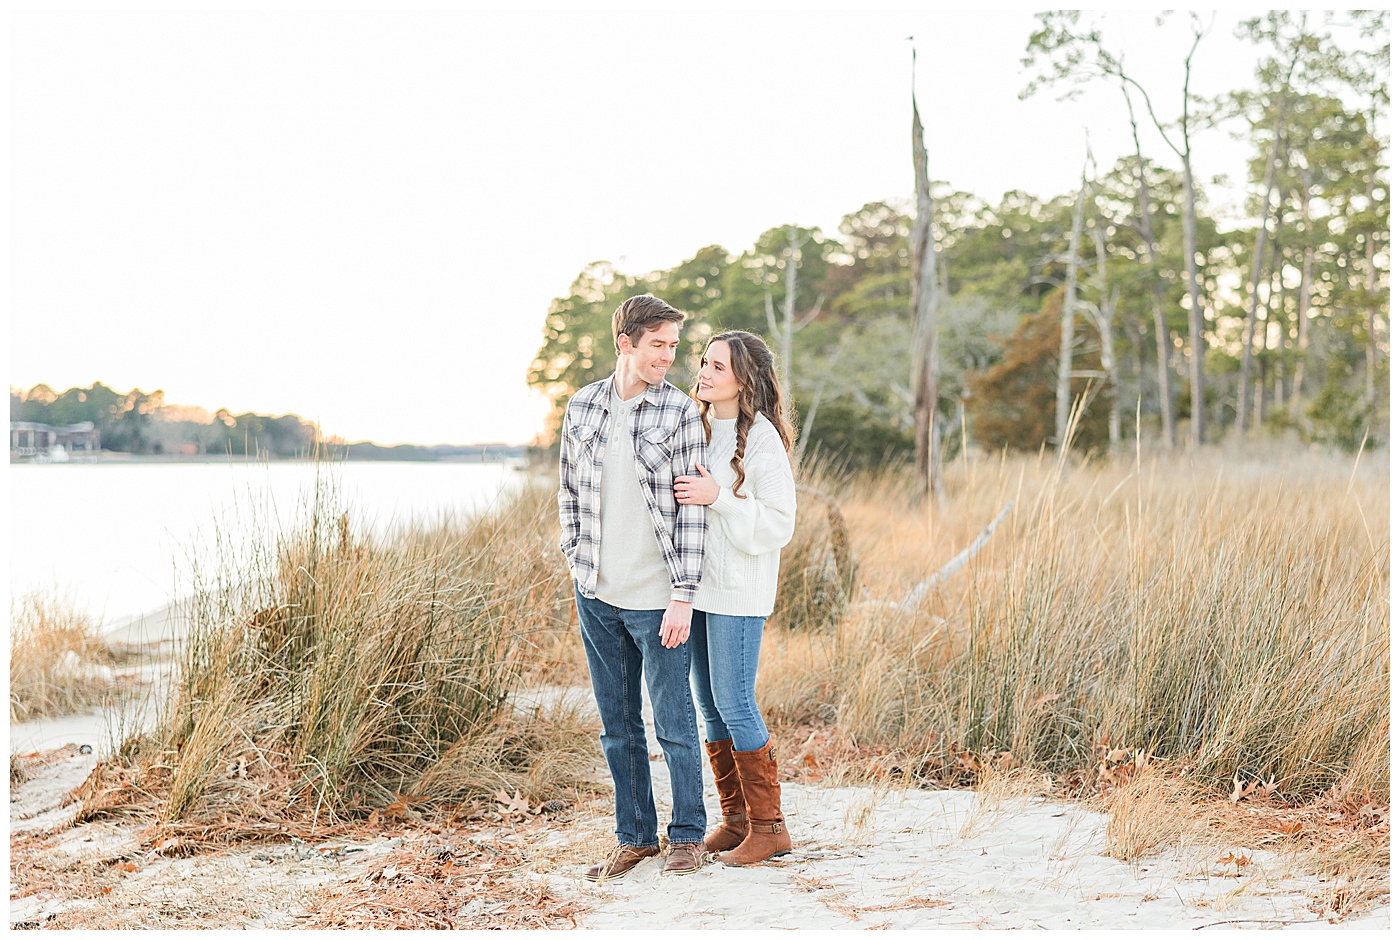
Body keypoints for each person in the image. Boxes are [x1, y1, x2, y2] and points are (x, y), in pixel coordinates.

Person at [557, 294, 709, 881]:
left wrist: (683, 593)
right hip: (596, 592)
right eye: (658, 346)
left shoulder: (678, 412)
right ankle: (635, 836)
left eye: (674, 347)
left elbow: (692, 513)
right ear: (626, 342)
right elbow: (568, 491)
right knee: (617, 725)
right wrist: (577, 563)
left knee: (675, 722)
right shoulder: (583, 405)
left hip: (658, 598)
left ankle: (688, 836)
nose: (668, 357)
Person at [674, 330, 797, 866]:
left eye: (717, 366)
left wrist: (718, 497)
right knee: (709, 706)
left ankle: (770, 828)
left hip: (739, 593)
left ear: (744, 379)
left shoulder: (764, 440)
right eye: (703, 362)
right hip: (698, 590)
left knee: (734, 701)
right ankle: (736, 820)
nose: (703, 372)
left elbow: (779, 524)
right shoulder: (699, 428)